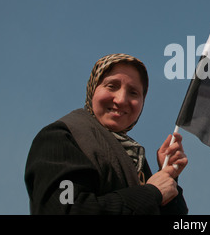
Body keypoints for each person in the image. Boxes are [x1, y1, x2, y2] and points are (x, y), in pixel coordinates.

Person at [24, 53, 188, 214]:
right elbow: (67, 208)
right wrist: (151, 193)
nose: (121, 99)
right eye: (112, 86)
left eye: (133, 92)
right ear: (93, 89)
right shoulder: (61, 138)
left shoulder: (135, 161)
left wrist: (167, 176)